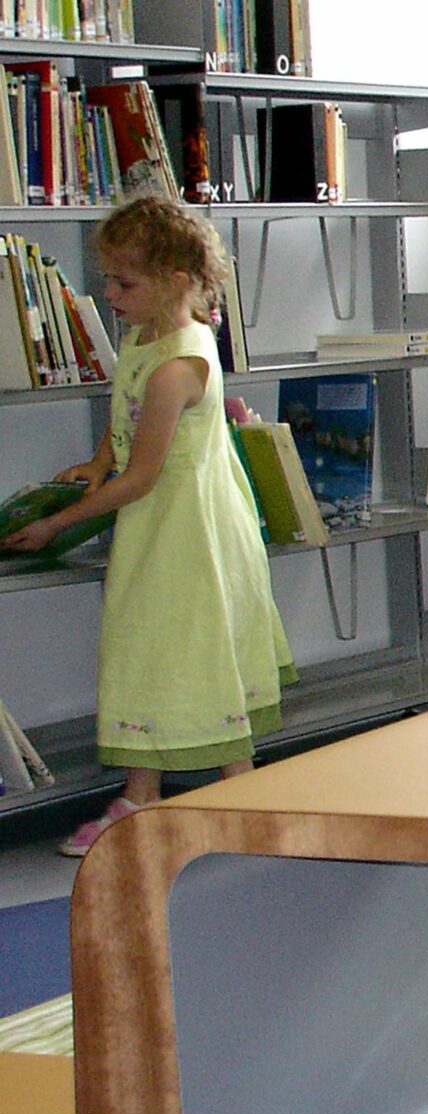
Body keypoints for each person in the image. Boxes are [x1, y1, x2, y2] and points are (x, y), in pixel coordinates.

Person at [2, 197, 294, 857]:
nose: (109, 295)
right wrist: (98, 459)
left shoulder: (179, 365)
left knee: (194, 654)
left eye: (123, 282)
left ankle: (240, 798)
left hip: (186, 529)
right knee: (145, 651)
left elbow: (144, 477)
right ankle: (141, 797)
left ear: (178, 281)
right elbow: (121, 415)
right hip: (156, 524)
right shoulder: (144, 339)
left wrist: (59, 526)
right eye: (107, 279)